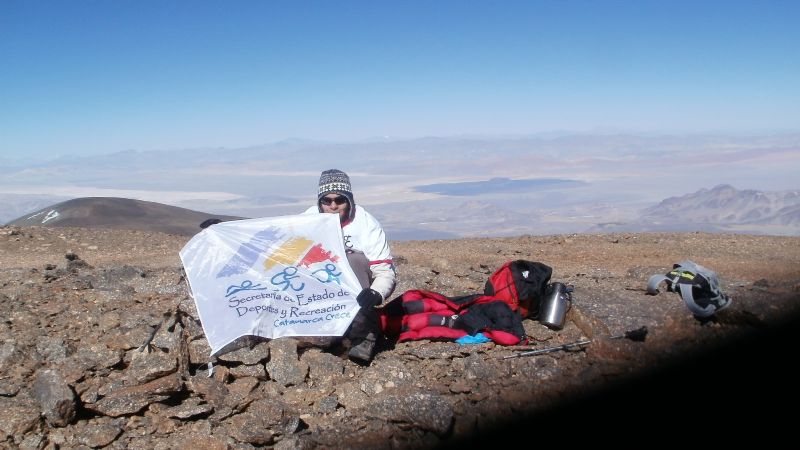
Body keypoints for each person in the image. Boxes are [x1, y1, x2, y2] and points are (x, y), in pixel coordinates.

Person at [303, 169, 397, 363]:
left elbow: (384, 271)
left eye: (340, 200)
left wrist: (376, 293)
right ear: (319, 202)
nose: (333, 206)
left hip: (356, 288)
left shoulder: (366, 224)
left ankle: (363, 333)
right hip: (321, 287)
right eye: (326, 201)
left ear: (350, 201)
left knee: (353, 259)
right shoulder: (306, 220)